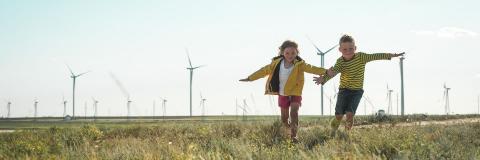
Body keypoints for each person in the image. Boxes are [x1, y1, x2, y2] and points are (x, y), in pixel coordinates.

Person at [314, 34, 404, 135]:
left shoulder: (361, 57)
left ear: (355, 48)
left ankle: (346, 133)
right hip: (343, 91)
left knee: (350, 114)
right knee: (339, 115)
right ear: (340, 50)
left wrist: (390, 55)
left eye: (351, 49)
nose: (348, 51)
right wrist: (324, 79)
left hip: (356, 92)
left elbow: (375, 56)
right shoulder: (340, 62)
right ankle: (333, 130)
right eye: (345, 49)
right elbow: (333, 73)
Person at [240, 40, 327, 142]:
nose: (290, 55)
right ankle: (288, 132)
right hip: (283, 94)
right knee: (284, 119)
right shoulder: (276, 64)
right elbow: (263, 71)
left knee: (294, 112)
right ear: (282, 53)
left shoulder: (300, 64)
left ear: (297, 53)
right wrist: (250, 78)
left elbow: (312, 68)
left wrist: (326, 71)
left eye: (293, 53)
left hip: (295, 92)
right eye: (287, 53)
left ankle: (294, 136)